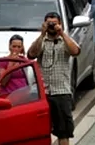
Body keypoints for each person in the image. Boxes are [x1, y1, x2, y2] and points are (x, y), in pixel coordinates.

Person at [27, 12, 81, 145]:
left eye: (54, 23)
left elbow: (75, 51)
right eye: (49, 23)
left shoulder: (65, 41)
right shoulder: (42, 41)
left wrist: (61, 33)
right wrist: (42, 34)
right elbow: (31, 54)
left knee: (63, 132)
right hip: (43, 93)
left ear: (60, 24)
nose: (52, 26)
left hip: (61, 92)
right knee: (41, 131)